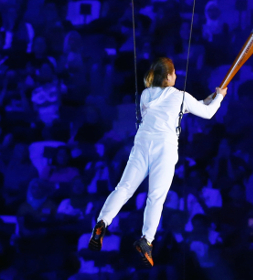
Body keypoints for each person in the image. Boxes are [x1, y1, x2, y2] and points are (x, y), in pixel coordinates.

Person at [88, 57, 226, 266]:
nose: (176, 76)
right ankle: (147, 240)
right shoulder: (179, 95)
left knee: (123, 188)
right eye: (174, 74)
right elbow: (206, 113)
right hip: (164, 147)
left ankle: (102, 222)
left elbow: (188, 107)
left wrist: (212, 97)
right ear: (169, 75)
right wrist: (220, 98)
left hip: (142, 144)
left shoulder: (146, 94)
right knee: (156, 197)